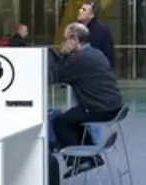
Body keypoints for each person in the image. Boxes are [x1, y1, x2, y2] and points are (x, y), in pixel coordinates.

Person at [49, 22, 123, 163]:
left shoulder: (78, 59)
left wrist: (62, 54)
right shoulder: (96, 53)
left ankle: (80, 161)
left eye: (66, 39)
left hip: (99, 108)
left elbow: (56, 75)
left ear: (74, 40)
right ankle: (90, 155)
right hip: (113, 105)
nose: (63, 43)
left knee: (59, 122)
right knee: (73, 117)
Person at [77, 2, 115, 69]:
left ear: (91, 15)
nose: (79, 11)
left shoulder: (102, 32)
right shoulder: (75, 29)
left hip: (95, 70)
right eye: (80, 8)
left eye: (84, 9)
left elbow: (109, 56)